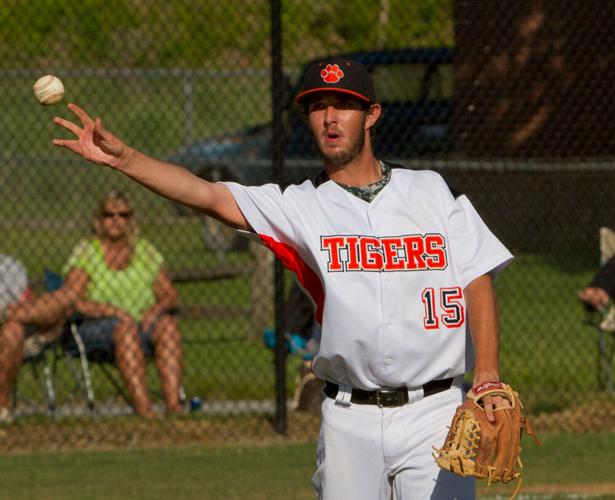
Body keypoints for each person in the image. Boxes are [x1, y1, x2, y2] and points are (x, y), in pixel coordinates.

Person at [52, 58, 513, 499]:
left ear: (371, 114)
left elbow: (477, 277)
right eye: (317, 106)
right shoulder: (300, 205)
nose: (330, 118)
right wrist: (125, 159)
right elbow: (208, 195)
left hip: (437, 411)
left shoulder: (431, 190)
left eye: (344, 105)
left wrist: (487, 376)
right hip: (349, 417)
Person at [58, 189, 184, 418]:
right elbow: (73, 300)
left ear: (130, 219)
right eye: (109, 215)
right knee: (125, 329)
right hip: (94, 328)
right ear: (99, 219)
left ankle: (174, 407)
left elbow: (170, 294)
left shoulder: (145, 251)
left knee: (168, 326)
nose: (116, 220)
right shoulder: (86, 252)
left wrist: (155, 310)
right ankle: (145, 410)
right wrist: (111, 312)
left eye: (123, 215)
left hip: (142, 325)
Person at [0, 255, 68, 423]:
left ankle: (1, 407)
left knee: (14, 330)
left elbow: (26, 304)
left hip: (13, 329)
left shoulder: (11, 266)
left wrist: (12, 313)